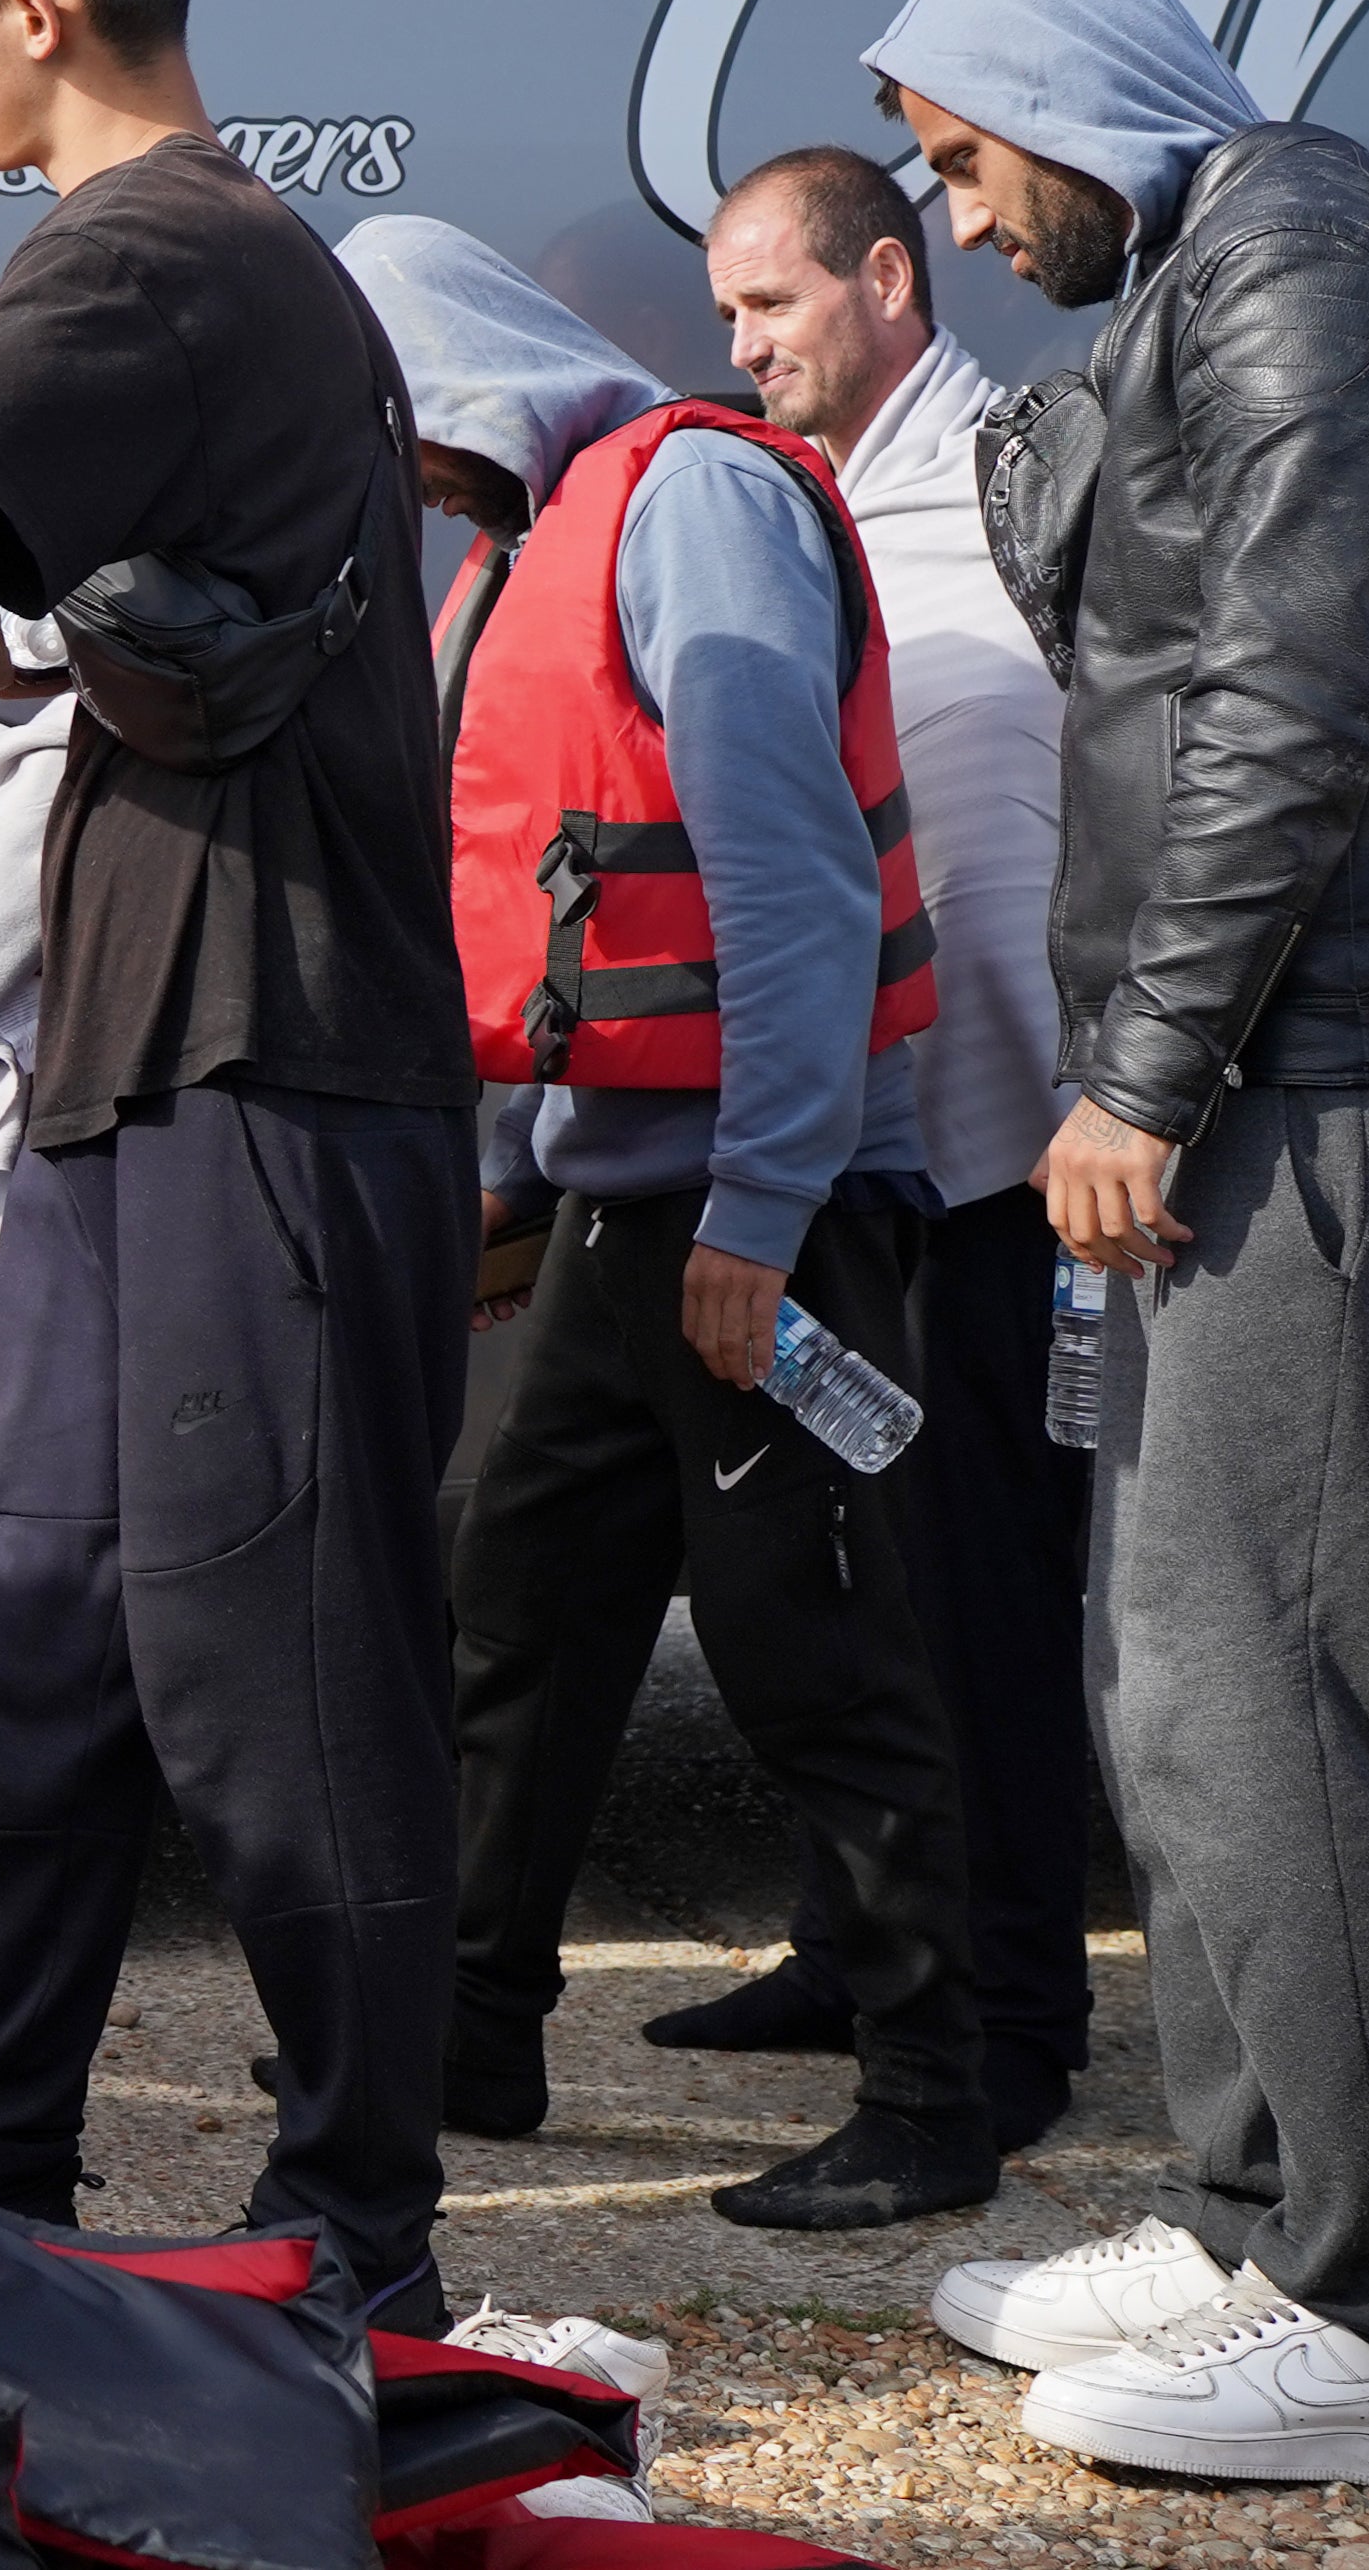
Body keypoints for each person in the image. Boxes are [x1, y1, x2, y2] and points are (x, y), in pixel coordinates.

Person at [885, 0, 1369, 2490]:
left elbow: (1282, 694)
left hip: (1314, 1083)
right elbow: (1158, 656)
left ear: (1056, 99)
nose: (947, 218)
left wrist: (1138, 1075)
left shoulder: (1295, 261)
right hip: (1267, 1077)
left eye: (953, 158)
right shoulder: (1231, 267)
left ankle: (1356, 2323)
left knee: (1273, 1692)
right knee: (1177, 1691)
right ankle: (1244, 2217)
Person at [0, 0, 471, 2328]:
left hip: (272, 1064)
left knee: (271, 1667)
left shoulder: (151, 240)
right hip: (153, 1063)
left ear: (34, 10)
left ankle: (360, 2242)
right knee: (21, 1614)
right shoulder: (211, 261)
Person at [346, 216, 992, 2236]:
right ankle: (465, 2029)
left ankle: (926, 2093)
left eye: (386, 429)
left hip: (762, 1223)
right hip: (637, 1210)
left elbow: (785, 881)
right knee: (516, 1615)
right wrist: (525, 1183)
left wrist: (761, 1204)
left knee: (814, 1643)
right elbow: (561, 900)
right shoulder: (534, 532)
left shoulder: (692, 505)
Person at [656, 146, 1095, 2155]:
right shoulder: (785, 504)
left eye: (771, 305)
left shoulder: (1012, 473)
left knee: (971, 1586)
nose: (738, 347)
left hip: (1007, 1141)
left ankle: (1011, 2022)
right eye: (727, 315)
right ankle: (854, 1942)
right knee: (849, 1570)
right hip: (856, 1125)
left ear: (889, 280)